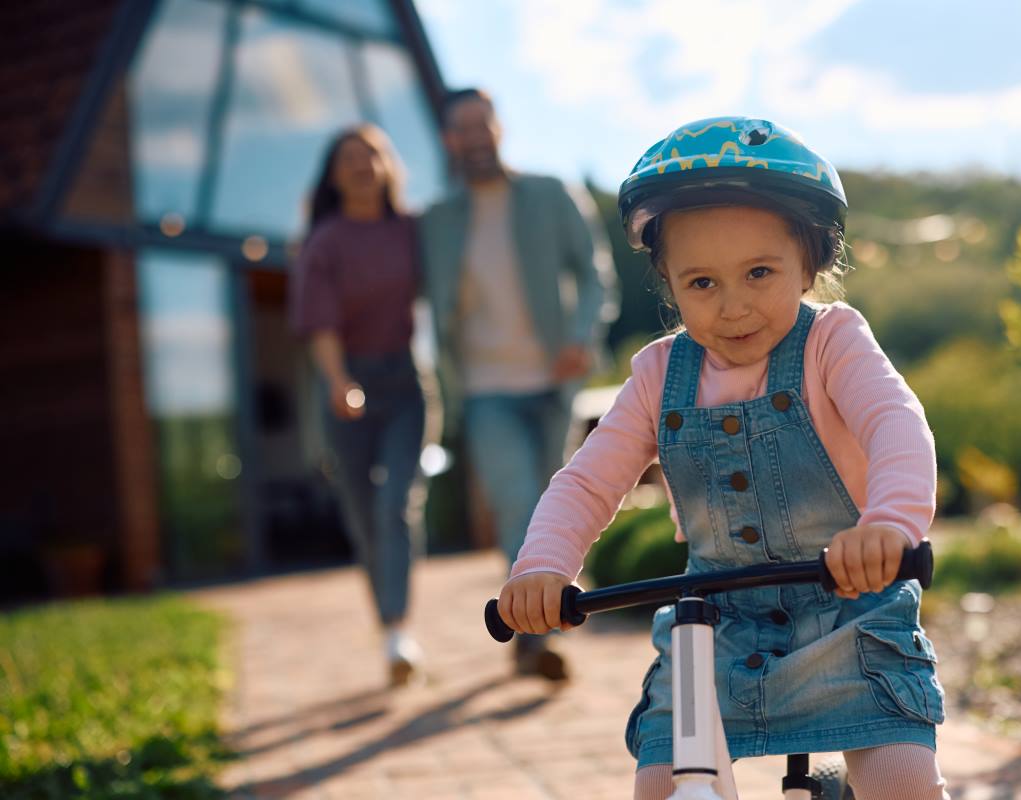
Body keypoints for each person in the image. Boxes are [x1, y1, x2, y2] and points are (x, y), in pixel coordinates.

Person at [496, 117, 950, 800]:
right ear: (669, 282)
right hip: (713, 624)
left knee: (902, 784)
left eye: (759, 273)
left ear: (811, 263)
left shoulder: (833, 343)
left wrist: (889, 524)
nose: (733, 306)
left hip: (849, 609)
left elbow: (895, 424)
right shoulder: (658, 375)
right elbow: (587, 482)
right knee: (664, 785)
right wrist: (542, 567)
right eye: (702, 283)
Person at [420, 88, 617, 681]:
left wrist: (582, 337)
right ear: (449, 140)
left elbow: (593, 275)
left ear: (500, 129)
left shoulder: (550, 194)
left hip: (554, 379)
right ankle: (533, 637)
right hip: (484, 387)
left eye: (484, 125)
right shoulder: (435, 221)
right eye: (462, 130)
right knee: (515, 501)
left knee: (554, 501)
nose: (475, 138)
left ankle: (535, 622)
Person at [290, 124, 426, 687]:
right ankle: (387, 622)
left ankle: (398, 630)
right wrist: (338, 379)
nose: (360, 164)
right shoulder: (324, 241)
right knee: (362, 511)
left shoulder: (411, 232)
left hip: (404, 383)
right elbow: (319, 321)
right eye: (347, 157)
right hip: (345, 380)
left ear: (387, 164)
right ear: (333, 174)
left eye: (370, 153)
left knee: (395, 502)